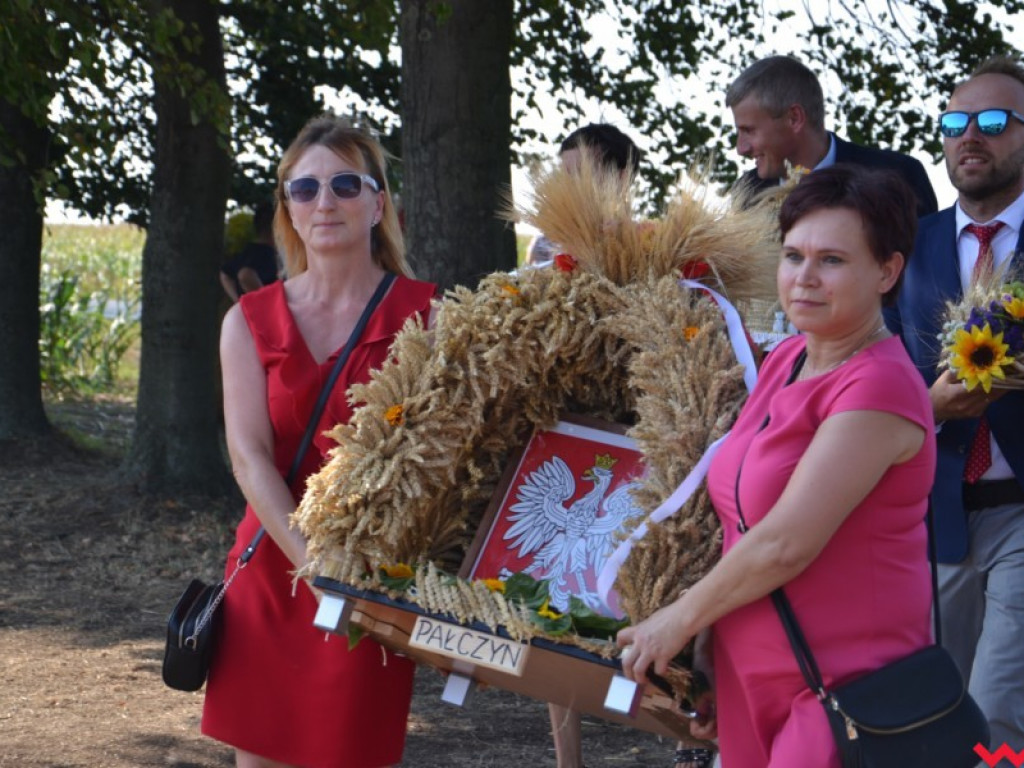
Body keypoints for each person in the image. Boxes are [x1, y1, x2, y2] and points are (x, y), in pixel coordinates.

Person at [617, 165, 936, 767]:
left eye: (833, 261)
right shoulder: (787, 358)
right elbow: (740, 522)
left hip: (841, 691)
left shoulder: (881, 386)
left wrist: (678, 621)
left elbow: (787, 542)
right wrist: (710, 641)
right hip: (750, 672)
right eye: (793, 256)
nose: (805, 279)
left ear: (887, 271)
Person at [202, 114, 436, 767]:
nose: (324, 202)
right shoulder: (247, 321)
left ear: (378, 202)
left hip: (371, 576)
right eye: (304, 190)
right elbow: (248, 458)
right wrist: (314, 562)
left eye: (344, 185)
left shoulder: (430, 317)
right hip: (273, 570)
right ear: (288, 212)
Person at [886, 55, 1024, 752]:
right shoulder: (908, 246)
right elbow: (873, 371)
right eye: (956, 122)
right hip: (933, 516)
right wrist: (929, 404)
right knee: (940, 713)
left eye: (995, 122)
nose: (972, 136)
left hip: (1022, 513)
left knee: (998, 710)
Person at [726, 55, 938, 217]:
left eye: (749, 130)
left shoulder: (900, 176)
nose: (741, 148)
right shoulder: (746, 193)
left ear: (794, 118)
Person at [525, 122, 642, 266]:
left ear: (621, 178)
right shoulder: (544, 245)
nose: (568, 184)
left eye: (580, 174)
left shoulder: (654, 247)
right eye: (565, 175)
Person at [219, 199, 280, 302]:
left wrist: (239, 302)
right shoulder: (266, 255)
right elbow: (245, 275)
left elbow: (225, 274)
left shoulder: (248, 251)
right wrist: (267, 304)